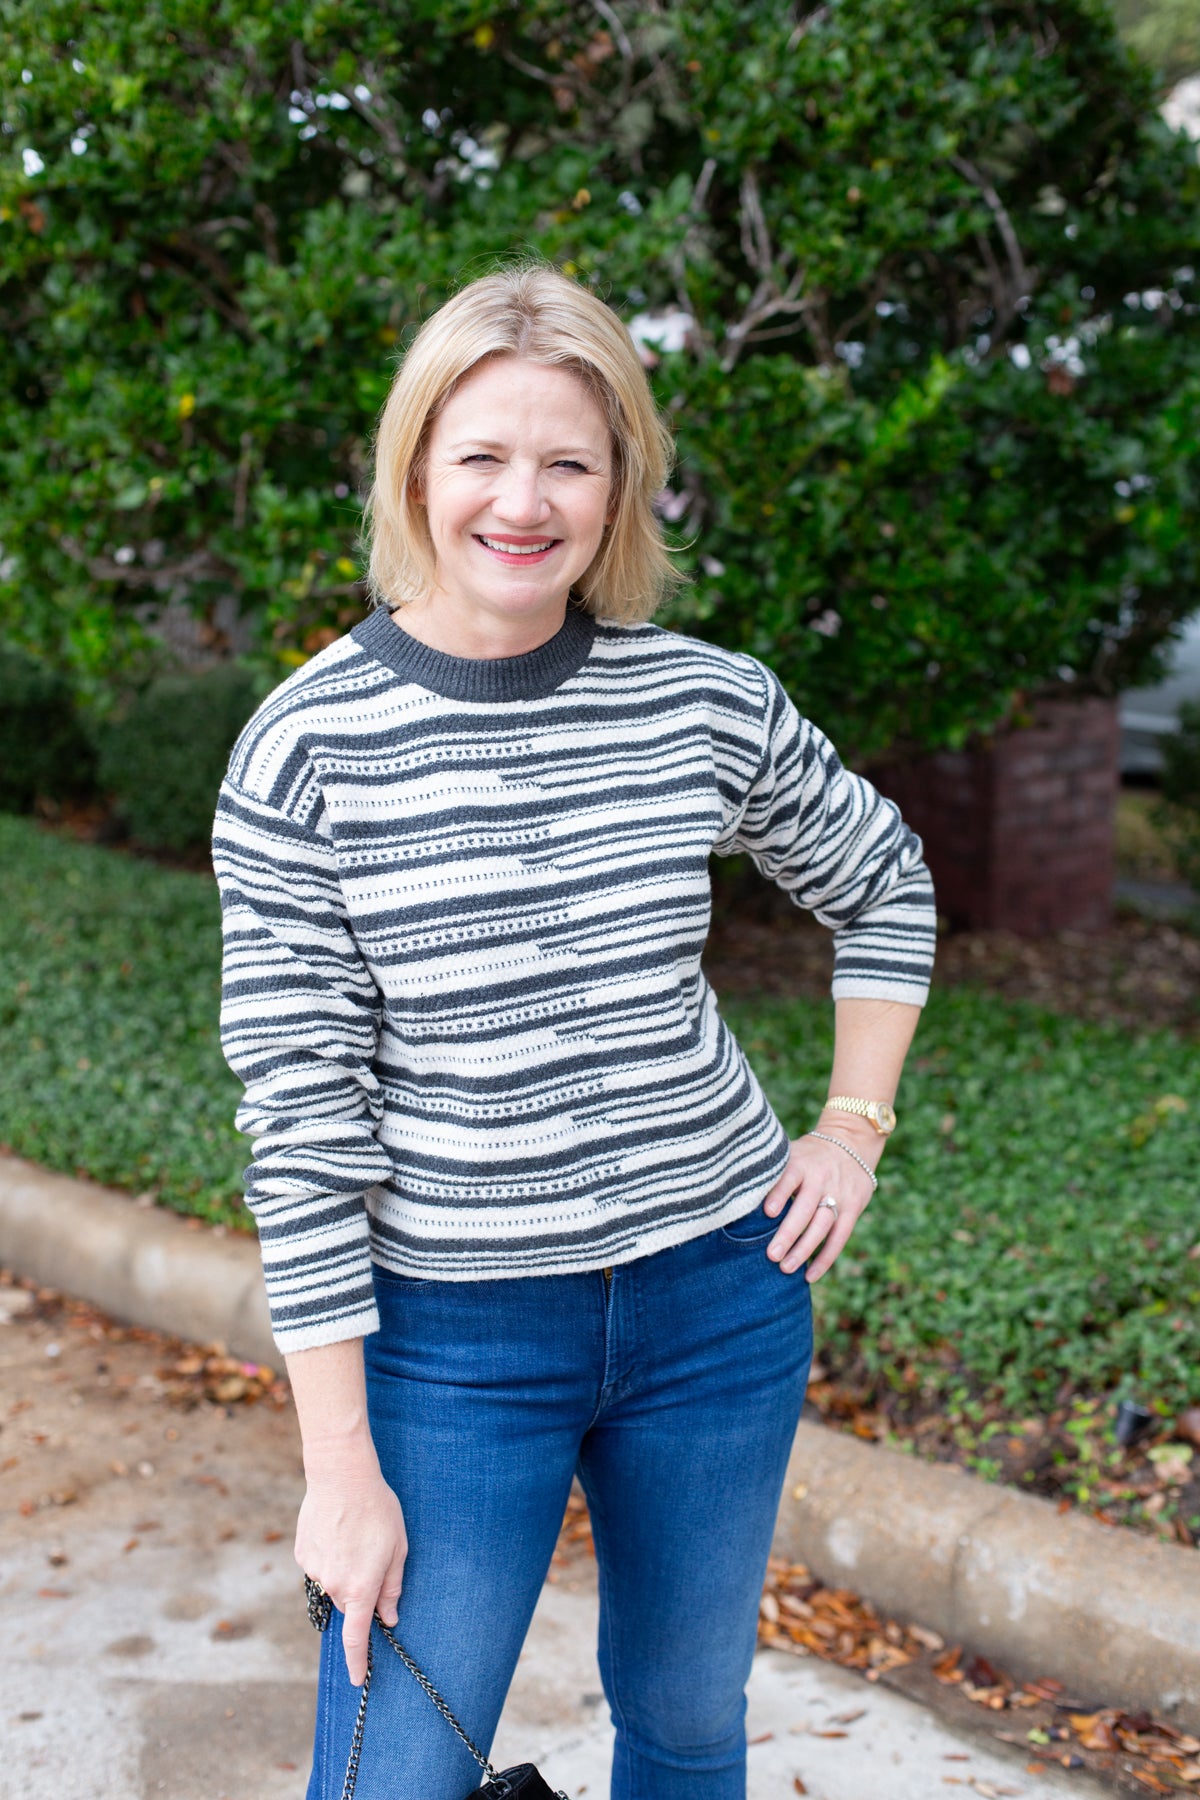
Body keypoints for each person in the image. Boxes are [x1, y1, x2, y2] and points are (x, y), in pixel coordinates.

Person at [213, 262, 935, 1800]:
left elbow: (885, 883)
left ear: (622, 490)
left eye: (569, 461)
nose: (521, 501)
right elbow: (302, 1122)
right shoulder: (308, 749)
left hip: (718, 1306)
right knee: (393, 1769)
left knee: (684, 1726)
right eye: (481, 454)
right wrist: (340, 1471)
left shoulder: (702, 703)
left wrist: (852, 1127)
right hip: (455, 1346)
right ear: (417, 467)